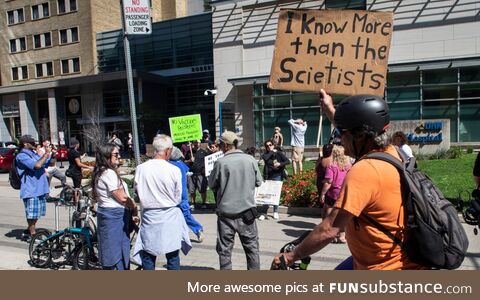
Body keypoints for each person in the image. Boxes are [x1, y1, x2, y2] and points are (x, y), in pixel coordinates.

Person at [272, 89, 428, 270]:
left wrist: (292, 256)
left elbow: (330, 229)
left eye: (342, 133)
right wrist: (330, 108)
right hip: (401, 258)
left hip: (383, 268)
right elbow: (357, 127)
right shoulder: (392, 153)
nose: (339, 138)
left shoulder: (366, 171)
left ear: (361, 136)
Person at [132, 134, 191, 270]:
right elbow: (178, 196)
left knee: (148, 255)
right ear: (168, 150)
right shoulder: (174, 170)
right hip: (170, 216)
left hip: (150, 217)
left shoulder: (141, 168)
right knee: (172, 256)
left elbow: (137, 192)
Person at [208, 131, 263, 270]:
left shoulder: (220, 162)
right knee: (252, 249)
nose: (219, 146)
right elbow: (259, 182)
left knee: (225, 251)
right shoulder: (250, 160)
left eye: (220, 144)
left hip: (226, 215)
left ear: (226, 145)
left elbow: (212, 184)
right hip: (247, 213)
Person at [91, 143, 138, 270]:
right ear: (106, 156)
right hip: (114, 217)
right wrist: (134, 208)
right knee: (115, 253)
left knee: (115, 250)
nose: (119, 156)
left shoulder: (102, 172)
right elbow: (122, 197)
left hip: (112, 216)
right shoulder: (108, 173)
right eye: (115, 154)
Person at [15, 135, 53, 242]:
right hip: (31, 189)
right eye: (32, 143)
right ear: (25, 144)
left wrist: (48, 153)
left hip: (40, 188)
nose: (34, 144)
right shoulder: (22, 156)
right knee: (31, 214)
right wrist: (45, 154)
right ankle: (32, 235)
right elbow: (36, 165)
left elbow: (43, 164)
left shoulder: (33, 153)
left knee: (37, 213)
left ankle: (28, 231)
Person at [168, 146, 205, 243]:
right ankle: (197, 229)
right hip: (183, 195)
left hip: (172, 195)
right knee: (186, 214)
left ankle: (191, 230)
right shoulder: (181, 165)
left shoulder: (168, 165)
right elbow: (188, 171)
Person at [319, 144, 351, 244]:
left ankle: (330, 234)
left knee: (329, 212)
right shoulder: (349, 166)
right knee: (343, 214)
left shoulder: (332, 166)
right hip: (345, 192)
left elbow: (328, 181)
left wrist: (322, 194)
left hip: (333, 193)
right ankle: (342, 235)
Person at [258, 139, 289, 220]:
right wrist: (272, 152)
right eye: (267, 146)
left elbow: (287, 161)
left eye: (270, 145)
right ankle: (264, 213)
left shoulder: (279, 153)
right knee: (266, 194)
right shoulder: (265, 154)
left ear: (273, 145)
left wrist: (280, 163)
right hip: (268, 176)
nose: (269, 146)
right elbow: (266, 159)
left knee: (276, 194)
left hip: (277, 175)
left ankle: (275, 212)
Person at [185, 141, 209, 208]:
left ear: (200, 144)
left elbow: (207, 162)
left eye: (198, 142)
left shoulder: (204, 152)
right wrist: (190, 160)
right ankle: (193, 203)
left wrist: (205, 170)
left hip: (200, 174)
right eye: (195, 142)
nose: (196, 144)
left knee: (202, 189)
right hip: (191, 174)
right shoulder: (189, 152)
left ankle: (204, 203)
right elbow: (184, 161)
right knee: (191, 189)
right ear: (193, 143)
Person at [315, 144, 333, 214]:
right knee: (328, 205)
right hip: (327, 183)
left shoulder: (320, 159)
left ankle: (324, 220)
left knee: (324, 203)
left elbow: (316, 170)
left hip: (319, 182)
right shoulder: (331, 160)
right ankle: (327, 221)